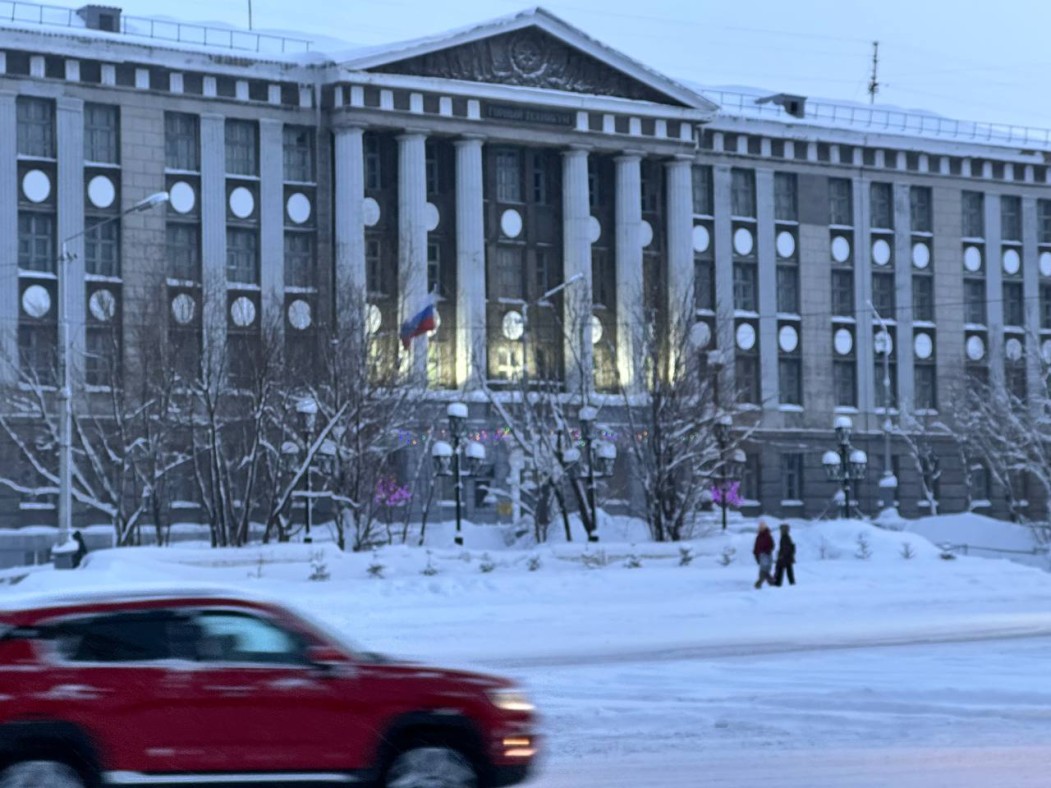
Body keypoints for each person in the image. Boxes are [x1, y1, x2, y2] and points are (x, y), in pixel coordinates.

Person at [752, 520, 775, 589]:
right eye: (760, 527)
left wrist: (767, 551)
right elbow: (756, 547)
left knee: (764, 570)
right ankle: (771, 582)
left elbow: (772, 545)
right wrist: (756, 555)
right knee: (764, 570)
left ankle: (759, 584)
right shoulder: (758, 537)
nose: (761, 528)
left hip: (767, 555)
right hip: (761, 555)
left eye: (762, 527)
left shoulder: (768, 536)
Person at [774, 522, 796, 586]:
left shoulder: (784, 537)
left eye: (781, 529)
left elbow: (785, 548)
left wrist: (781, 556)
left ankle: (777, 584)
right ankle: (792, 583)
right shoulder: (787, 537)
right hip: (787, 557)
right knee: (789, 571)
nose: (780, 531)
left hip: (784, 558)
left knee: (780, 570)